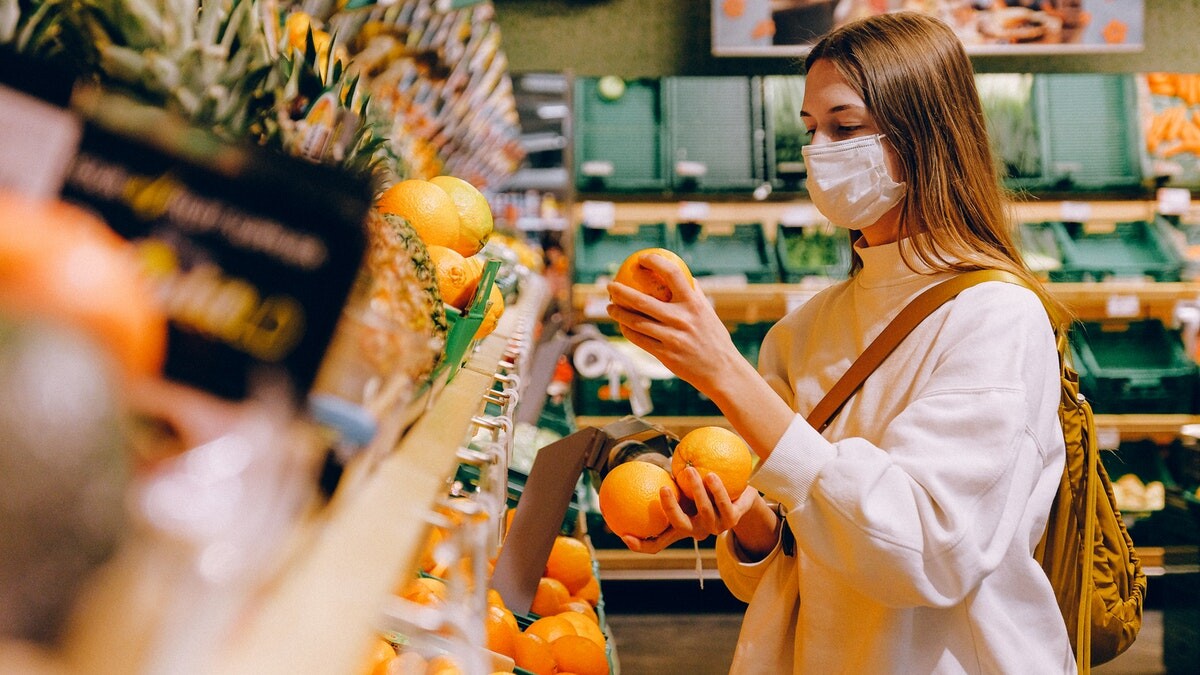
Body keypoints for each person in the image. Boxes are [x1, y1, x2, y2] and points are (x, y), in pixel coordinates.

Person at [605, 11, 1075, 674]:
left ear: (925, 136)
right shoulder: (805, 330)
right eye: (810, 129)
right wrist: (741, 519)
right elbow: (795, 558)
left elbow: (921, 555)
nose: (820, 149)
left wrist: (723, 374)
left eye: (845, 126)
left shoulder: (995, 317)